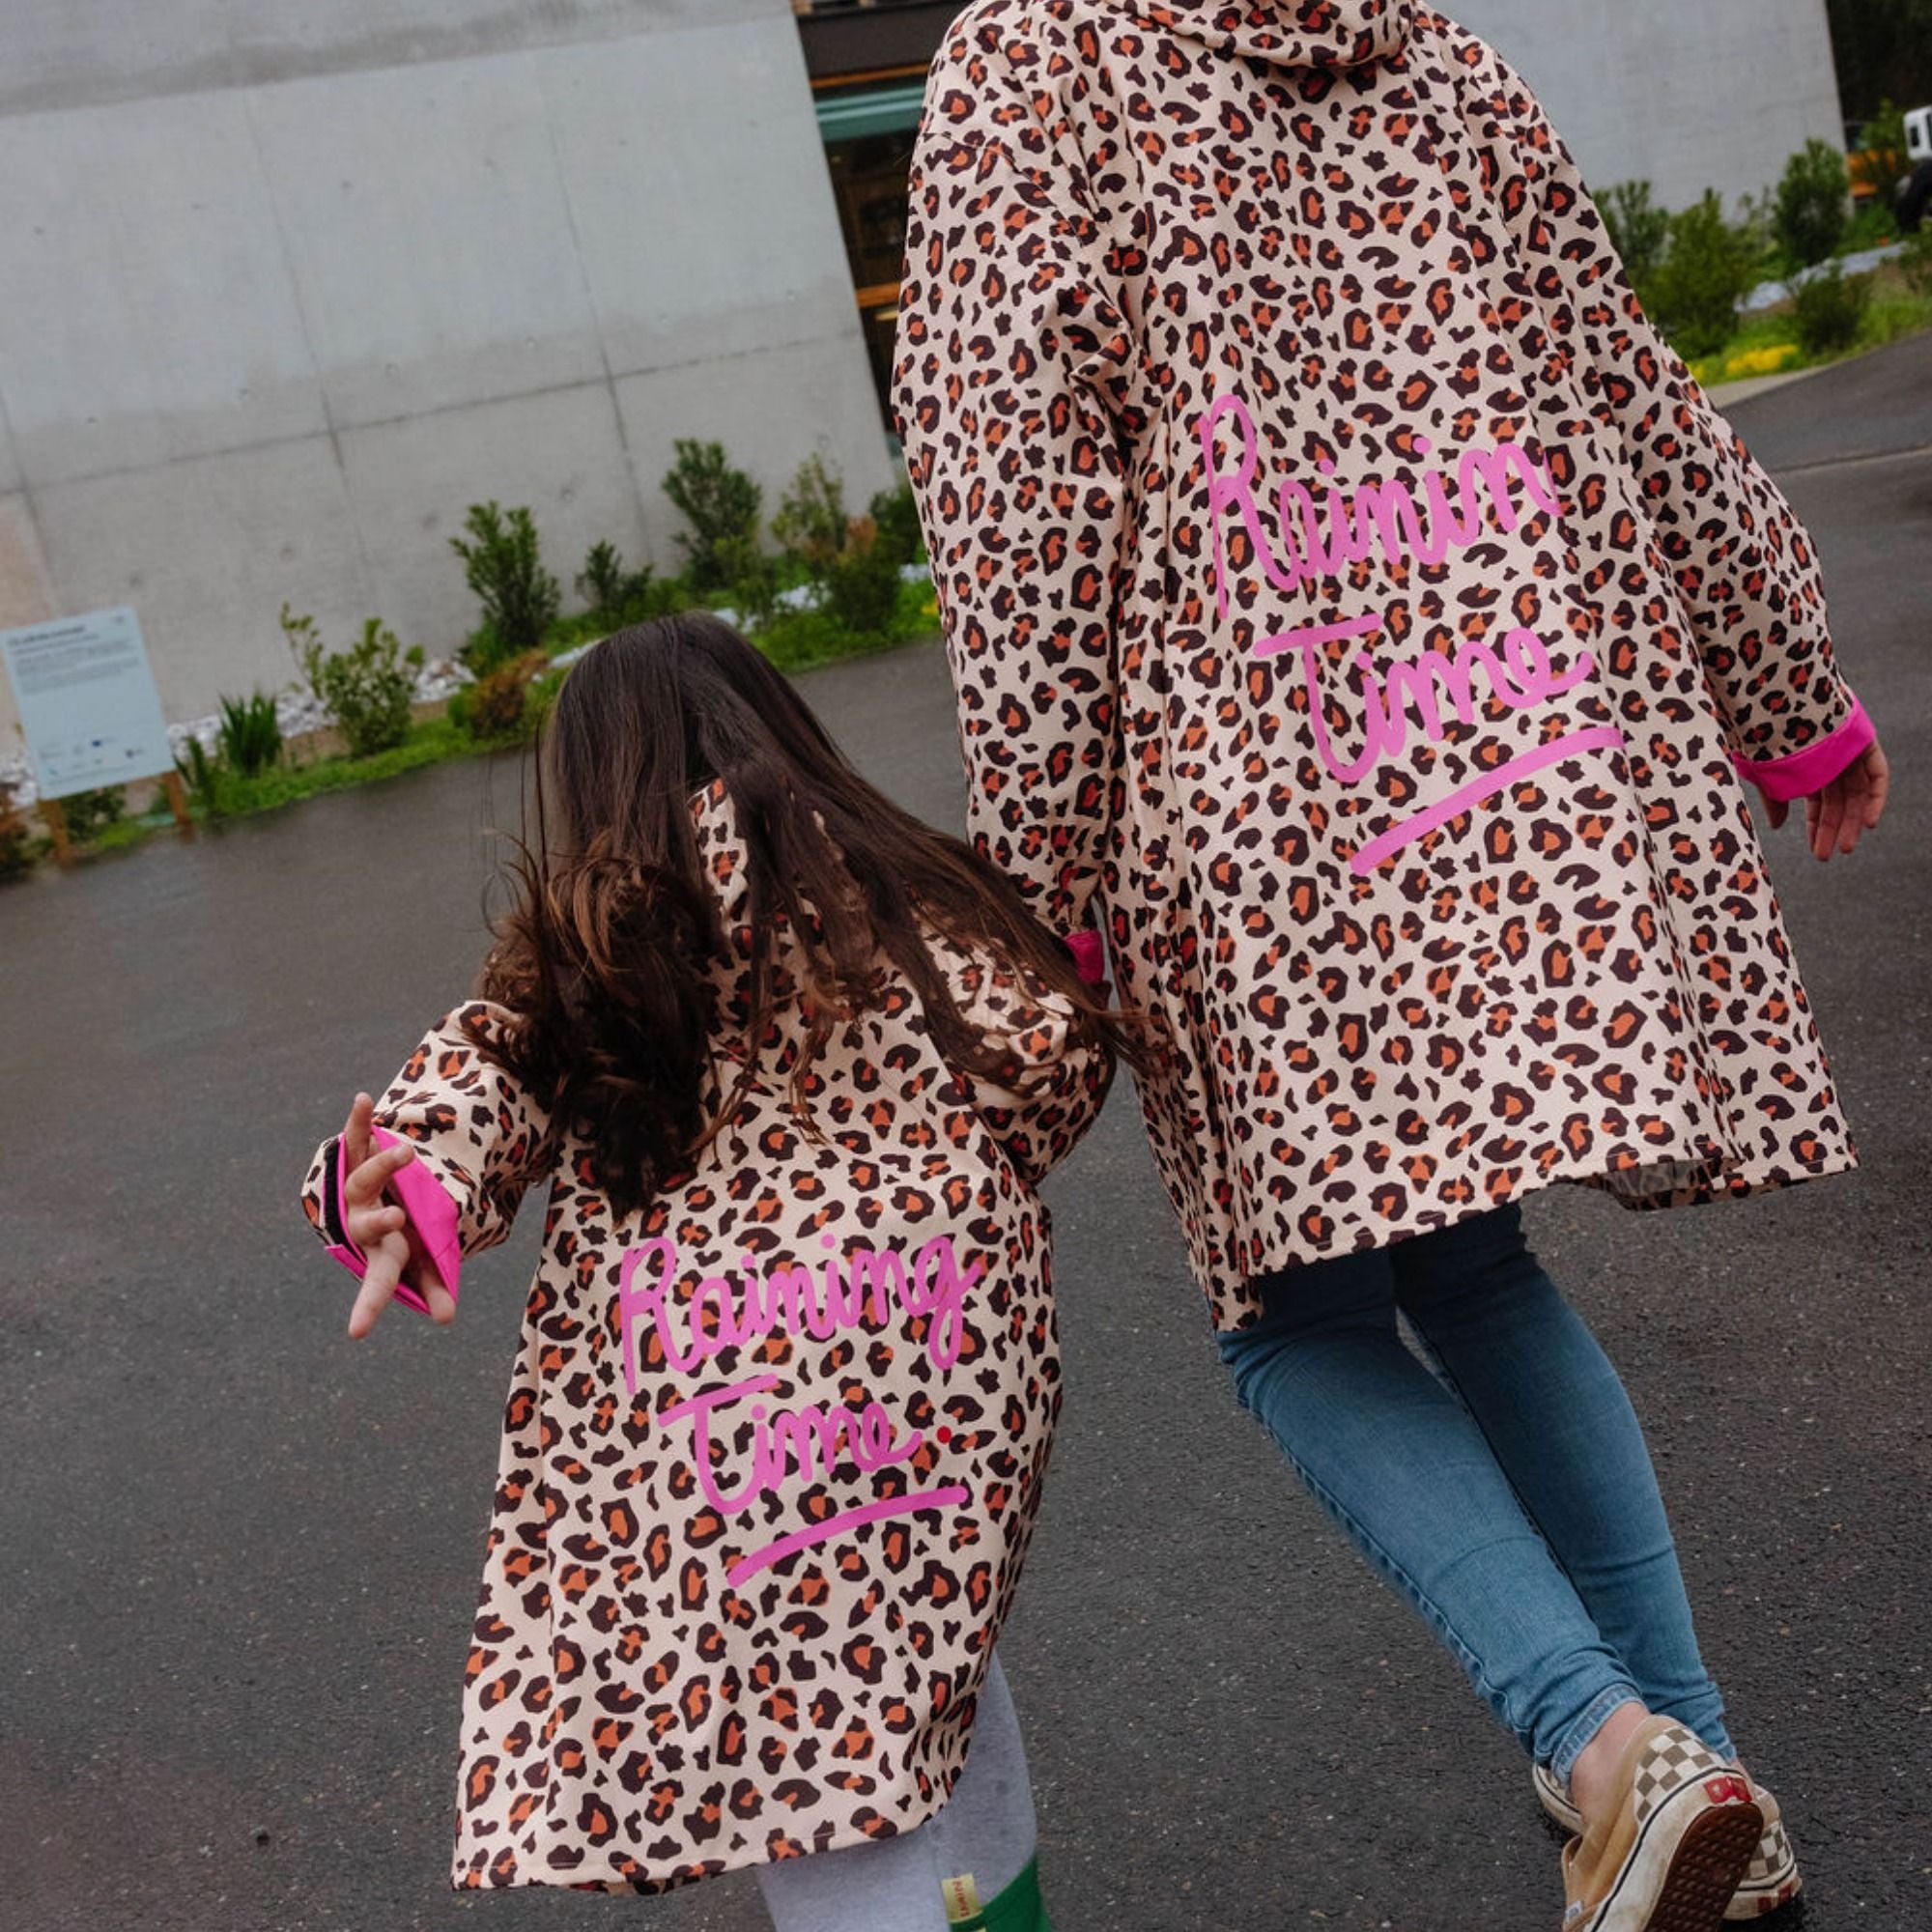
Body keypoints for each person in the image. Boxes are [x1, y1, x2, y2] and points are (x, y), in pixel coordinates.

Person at [893, 4, 1889, 1927]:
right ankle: (1696, 1775)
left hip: (1253, 793)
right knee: (1475, 1271)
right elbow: (1626, 377)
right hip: (1499, 741)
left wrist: (1046, 877)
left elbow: (1018, 506)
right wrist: (1786, 677)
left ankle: (1609, 1750)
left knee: (1298, 1320)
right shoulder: (1428, 49)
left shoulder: (1031, 66)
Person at [298, 613, 1137, 1930]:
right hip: (927, 1383)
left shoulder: (591, 944)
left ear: (591, 782)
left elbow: (480, 1073)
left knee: (810, 1751)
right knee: (931, 1660)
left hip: (722, 1434)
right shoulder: (897, 887)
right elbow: (1046, 1066)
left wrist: (409, 1190)